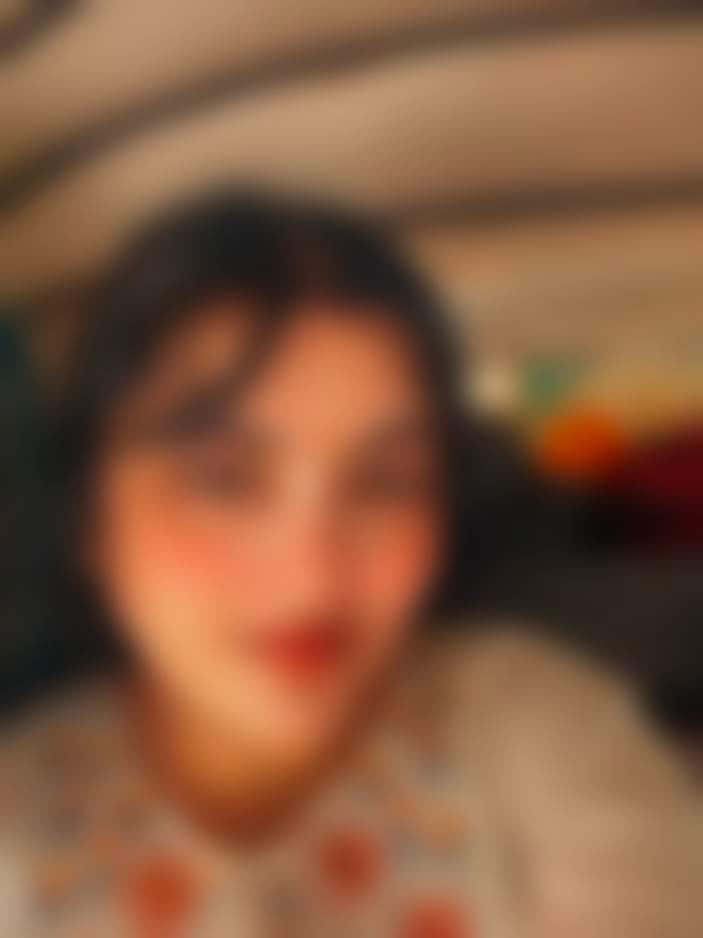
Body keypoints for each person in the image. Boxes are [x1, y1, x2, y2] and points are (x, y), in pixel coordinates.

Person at [1, 191, 701, 937]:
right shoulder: (20, 822)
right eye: (224, 479)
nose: (313, 572)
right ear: (89, 513)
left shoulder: (536, 730)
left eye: (385, 481)